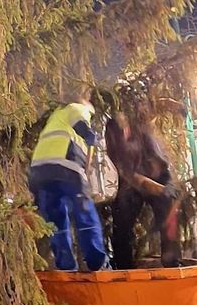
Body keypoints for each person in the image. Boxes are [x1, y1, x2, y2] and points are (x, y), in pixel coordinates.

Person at [28, 96, 109, 271]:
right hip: (65, 165)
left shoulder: (55, 117)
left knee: (55, 219)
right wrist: (90, 136)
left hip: (39, 171)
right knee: (84, 211)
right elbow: (84, 129)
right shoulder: (77, 109)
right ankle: (97, 262)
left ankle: (66, 266)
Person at [105, 110, 181, 269]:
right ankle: (123, 267)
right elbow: (127, 173)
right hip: (133, 180)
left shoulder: (140, 124)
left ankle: (172, 263)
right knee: (121, 219)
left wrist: (163, 188)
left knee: (168, 207)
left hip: (160, 175)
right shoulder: (113, 136)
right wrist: (149, 185)